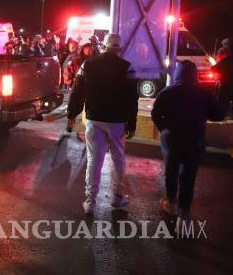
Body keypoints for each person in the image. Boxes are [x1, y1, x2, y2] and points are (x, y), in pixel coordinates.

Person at [67, 33, 139, 215]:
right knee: (118, 158)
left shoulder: (88, 64)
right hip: (117, 121)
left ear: (104, 46)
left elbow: (77, 91)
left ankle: (90, 201)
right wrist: (132, 123)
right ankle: (117, 197)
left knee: (94, 159)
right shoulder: (128, 68)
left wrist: (71, 114)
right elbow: (132, 99)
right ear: (120, 48)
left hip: (94, 119)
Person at [152, 61, 225, 222]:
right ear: (194, 75)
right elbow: (218, 115)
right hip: (195, 139)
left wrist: (164, 129)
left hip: (171, 139)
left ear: (177, 73)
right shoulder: (204, 94)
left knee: (171, 170)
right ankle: (184, 209)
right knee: (189, 174)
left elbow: (155, 114)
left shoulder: (166, 92)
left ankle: (171, 202)